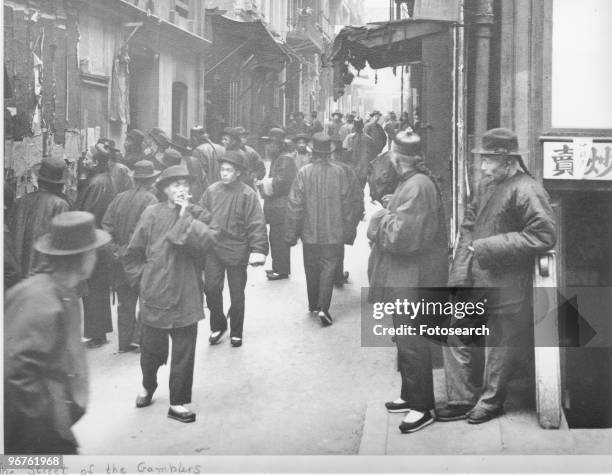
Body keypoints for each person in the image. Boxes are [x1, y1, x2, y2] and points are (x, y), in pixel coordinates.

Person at [437, 128, 556, 425]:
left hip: (507, 284)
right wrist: (460, 274)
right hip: (478, 278)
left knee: (499, 346)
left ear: (507, 161)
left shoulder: (527, 189)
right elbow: (468, 226)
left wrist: (488, 247)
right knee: (455, 332)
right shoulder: (487, 185)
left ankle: (491, 402)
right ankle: (462, 398)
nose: (483, 166)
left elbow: (543, 235)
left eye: (488, 160)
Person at [4, 211, 110, 454]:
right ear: (84, 258)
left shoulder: (57, 290)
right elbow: (15, 373)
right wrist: (48, 432)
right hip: (36, 439)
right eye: (93, 252)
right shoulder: (41, 299)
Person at [368, 130, 448, 434]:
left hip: (412, 276)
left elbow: (400, 236)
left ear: (396, 159)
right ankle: (410, 396)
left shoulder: (416, 187)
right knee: (405, 338)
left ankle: (422, 406)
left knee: (411, 340)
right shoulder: (415, 183)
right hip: (410, 274)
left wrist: (378, 221)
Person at [124, 165, 218, 423]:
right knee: (151, 348)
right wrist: (142, 278)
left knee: (184, 350)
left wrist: (186, 215)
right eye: (175, 185)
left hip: (186, 288)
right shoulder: (151, 214)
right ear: (164, 189)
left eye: (185, 184)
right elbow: (132, 253)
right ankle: (148, 385)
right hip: (155, 289)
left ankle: (177, 402)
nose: (181, 189)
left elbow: (207, 242)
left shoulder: (199, 214)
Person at [200, 151, 268, 347]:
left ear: (238, 172)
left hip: (238, 249)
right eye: (222, 170)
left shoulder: (248, 194)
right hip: (214, 248)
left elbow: (256, 223)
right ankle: (219, 324)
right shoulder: (212, 191)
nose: (224, 173)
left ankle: (237, 331)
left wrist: (258, 248)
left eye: (229, 170)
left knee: (237, 294)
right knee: (211, 289)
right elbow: (201, 214)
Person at [285, 133, 353, 326]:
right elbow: (347, 204)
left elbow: (294, 205)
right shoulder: (340, 173)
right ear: (329, 154)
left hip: (310, 232)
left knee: (311, 267)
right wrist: (348, 230)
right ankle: (324, 308)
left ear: (313, 153)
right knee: (328, 269)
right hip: (334, 232)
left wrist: (292, 233)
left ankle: (313, 304)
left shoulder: (304, 172)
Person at [102, 160, 159, 353]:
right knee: (146, 299)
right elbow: (143, 232)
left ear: (135, 179)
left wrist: (115, 250)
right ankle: (139, 339)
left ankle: (125, 342)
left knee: (125, 302)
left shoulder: (119, 198)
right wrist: (128, 251)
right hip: (140, 259)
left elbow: (106, 225)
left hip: (118, 259)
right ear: (151, 180)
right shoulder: (151, 200)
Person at [76, 144, 117, 348]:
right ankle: (97, 332)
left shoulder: (98, 183)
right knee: (96, 288)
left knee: (93, 289)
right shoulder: (102, 180)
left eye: (88, 158)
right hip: (100, 240)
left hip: (94, 241)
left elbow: (89, 213)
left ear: (96, 162)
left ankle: (97, 334)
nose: (84, 161)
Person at [9, 156, 72, 278]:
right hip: (44, 278)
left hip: (18, 277)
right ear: (60, 184)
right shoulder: (60, 205)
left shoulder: (21, 201)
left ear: (39, 180)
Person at [258, 128, 297, 280]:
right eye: (268, 143)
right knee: (275, 237)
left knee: (279, 239)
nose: (269, 147)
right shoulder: (280, 157)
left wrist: (263, 184)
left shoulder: (285, 159)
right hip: (278, 206)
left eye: (272, 144)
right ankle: (278, 267)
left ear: (280, 145)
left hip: (281, 206)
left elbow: (282, 183)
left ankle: (281, 270)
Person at [343, 117, 375, 188]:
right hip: (352, 168)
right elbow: (344, 153)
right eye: (356, 125)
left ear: (362, 126)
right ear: (354, 126)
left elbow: (372, 155)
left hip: (363, 169)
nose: (357, 127)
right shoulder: (349, 138)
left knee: (360, 188)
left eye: (359, 125)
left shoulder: (368, 139)